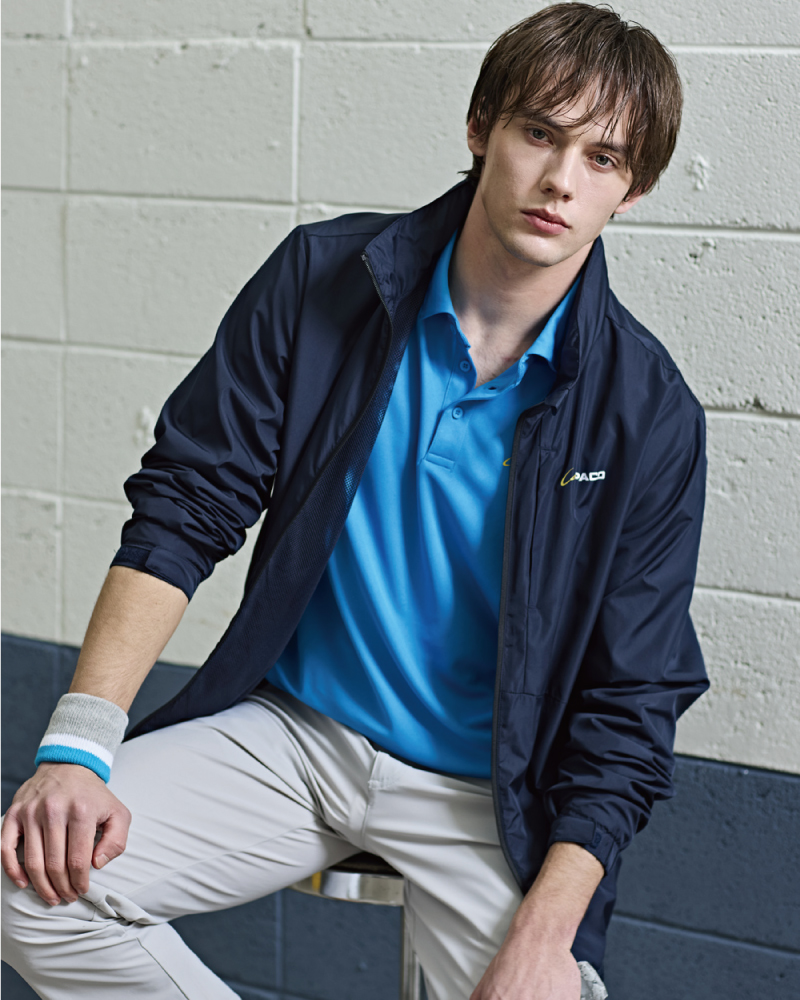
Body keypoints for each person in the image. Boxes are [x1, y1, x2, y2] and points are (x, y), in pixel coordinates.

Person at [1, 5, 708, 998]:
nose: (561, 180)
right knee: (28, 885)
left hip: (486, 792)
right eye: (539, 133)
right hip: (294, 732)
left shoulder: (647, 414)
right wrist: (79, 749)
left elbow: (629, 704)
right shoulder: (322, 280)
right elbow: (186, 506)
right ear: (480, 127)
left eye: (602, 158)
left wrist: (545, 939)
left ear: (632, 190)